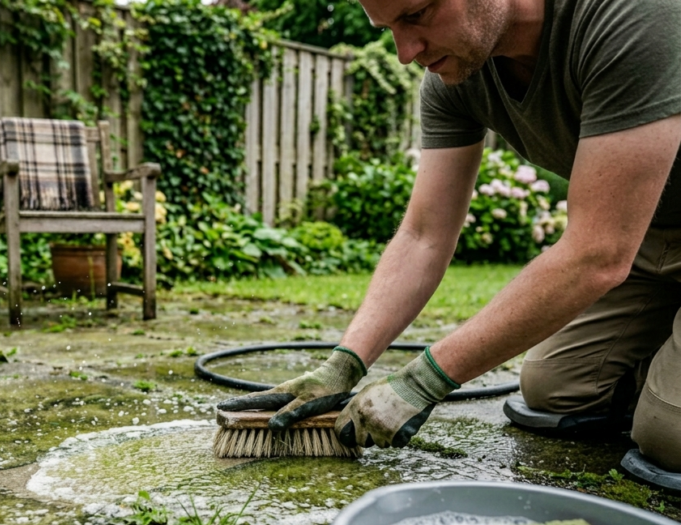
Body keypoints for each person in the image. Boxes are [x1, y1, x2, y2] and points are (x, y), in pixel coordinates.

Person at [219, 0, 681, 475]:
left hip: (622, 244)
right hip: (649, 239)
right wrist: (345, 363)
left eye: (415, 15)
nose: (404, 52)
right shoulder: (454, 77)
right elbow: (423, 236)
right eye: (388, 27)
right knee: (553, 389)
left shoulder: (632, 15)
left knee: (669, 438)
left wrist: (425, 379)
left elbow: (596, 254)